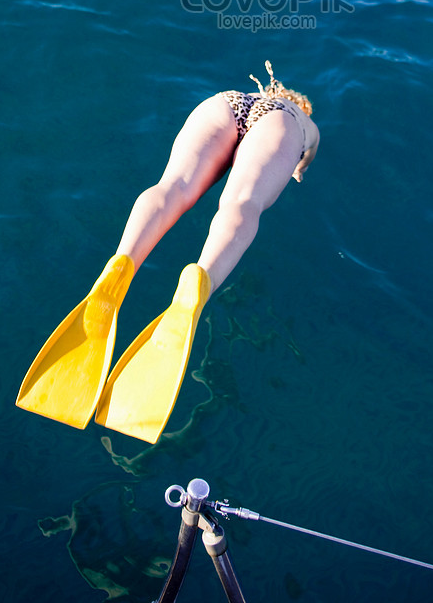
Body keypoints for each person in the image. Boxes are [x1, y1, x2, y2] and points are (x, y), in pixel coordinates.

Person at [17, 61, 320, 444]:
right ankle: (199, 282)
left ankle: (122, 262)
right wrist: (298, 166)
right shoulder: (302, 119)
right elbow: (304, 159)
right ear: (300, 104)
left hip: (225, 105)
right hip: (280, 129)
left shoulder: (250, 94)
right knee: (242, 204)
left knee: (172, 186)